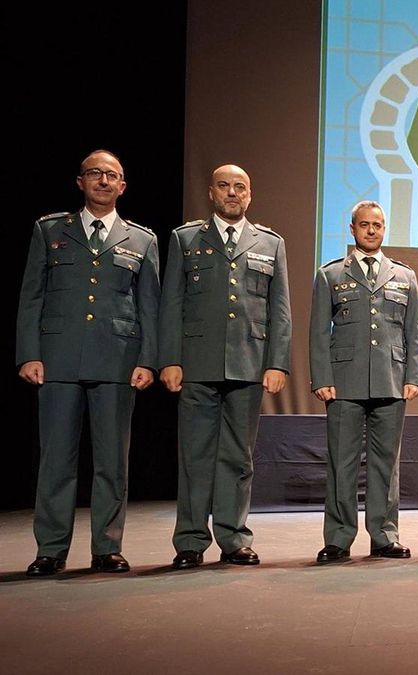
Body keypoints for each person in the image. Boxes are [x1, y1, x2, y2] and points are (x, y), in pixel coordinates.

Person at [17, 150, 160, 576]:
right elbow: (32, 296)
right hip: (58, 359)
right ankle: (51, 549)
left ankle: (107, 547)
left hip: (118, 360)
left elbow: (149, 306)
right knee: (56, 459)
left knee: (112, 462)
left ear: (123, 186)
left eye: (111, 175)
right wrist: (29, 352)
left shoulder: (142, 239)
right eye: (95, 173)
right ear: (80, 181)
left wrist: (149, 360)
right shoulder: (50, 230)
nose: (103, 180)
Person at [159, 164, 292, 569]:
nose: (232, 193)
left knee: (238, 458)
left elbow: (279, 310)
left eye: (240, 187)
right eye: (224, 186)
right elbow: (172, 304)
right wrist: (170, 359)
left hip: (249, 366)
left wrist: (277, 364)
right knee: (195, 457)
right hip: (197, 365)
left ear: (249, 195)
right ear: (212, 193)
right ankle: (190, 541)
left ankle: (234, 539)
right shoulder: (186, 239)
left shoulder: (270, 243)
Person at [309, 200, 418, 563]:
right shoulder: (330, 274)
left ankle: (384, 536)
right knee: (342, 464)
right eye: (365, 225)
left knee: (385, 464)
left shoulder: (404, 275)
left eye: (378, 224)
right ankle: (338, 539)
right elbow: (317, 332)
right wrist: (322, 377)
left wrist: (415, 376)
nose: (372, 230)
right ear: (352, 229)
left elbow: (414, 331)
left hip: (391, 382)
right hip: (344, 383)